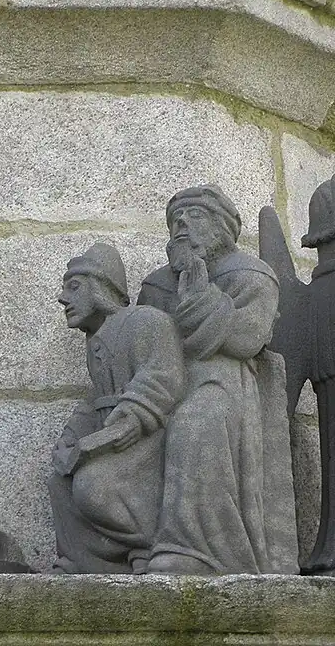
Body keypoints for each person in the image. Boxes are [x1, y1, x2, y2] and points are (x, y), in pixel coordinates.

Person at [138, 185, 298, 574]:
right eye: (175, 219)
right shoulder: (157, 286)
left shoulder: (250, 275)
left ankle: (201, 551)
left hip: (224, 386)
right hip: (160, 389)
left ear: (221, 227)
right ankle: (130, 547)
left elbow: (246, 337)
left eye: (194, 217)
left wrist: (198, 294)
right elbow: (142, 343)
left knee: (195, 424)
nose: (181, 226)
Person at [49, 243, 185, 573]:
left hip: (148, 438)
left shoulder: (146, 321)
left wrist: (130, 420)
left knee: (92, 486)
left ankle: (150, 545)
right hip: (116, 436)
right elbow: (97, 398)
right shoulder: (97, 341)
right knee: (60, 482)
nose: (63, 298)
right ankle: (84, 561)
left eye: (74, 286)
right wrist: (73, 434)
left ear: (101, 286)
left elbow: (164, 375)